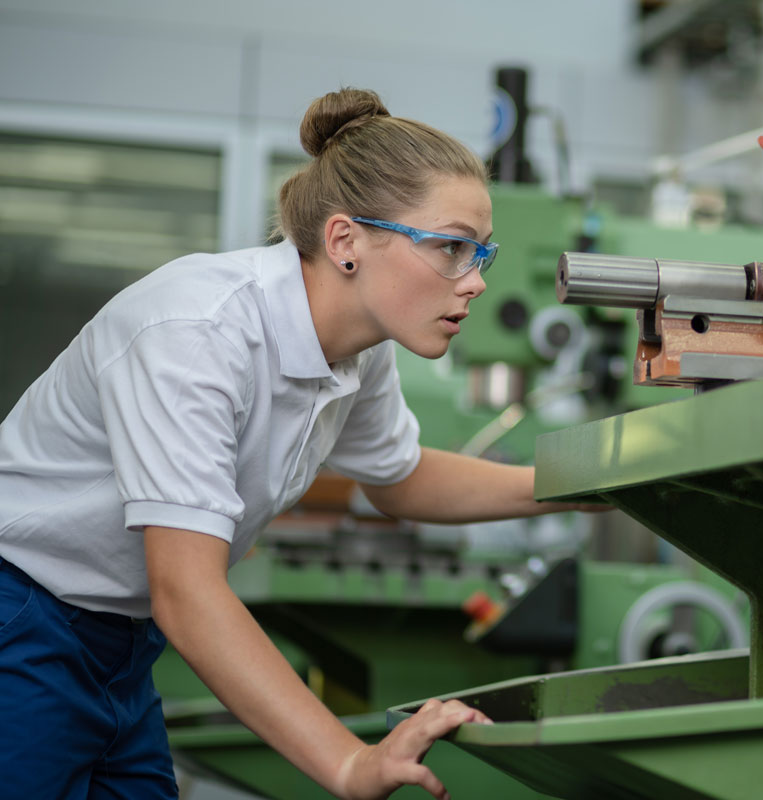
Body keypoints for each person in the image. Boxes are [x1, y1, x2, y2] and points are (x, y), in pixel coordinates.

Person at [0, 87, 596, 800]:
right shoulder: (196, 334)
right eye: (450, 247)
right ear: (346, 242)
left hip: (121, 644)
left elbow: (398, 477)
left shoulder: (358, 349)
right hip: (24, 614)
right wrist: (348, 762)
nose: (472, 282)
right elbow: (186, 590)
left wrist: (594, 486)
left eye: (481, 254)